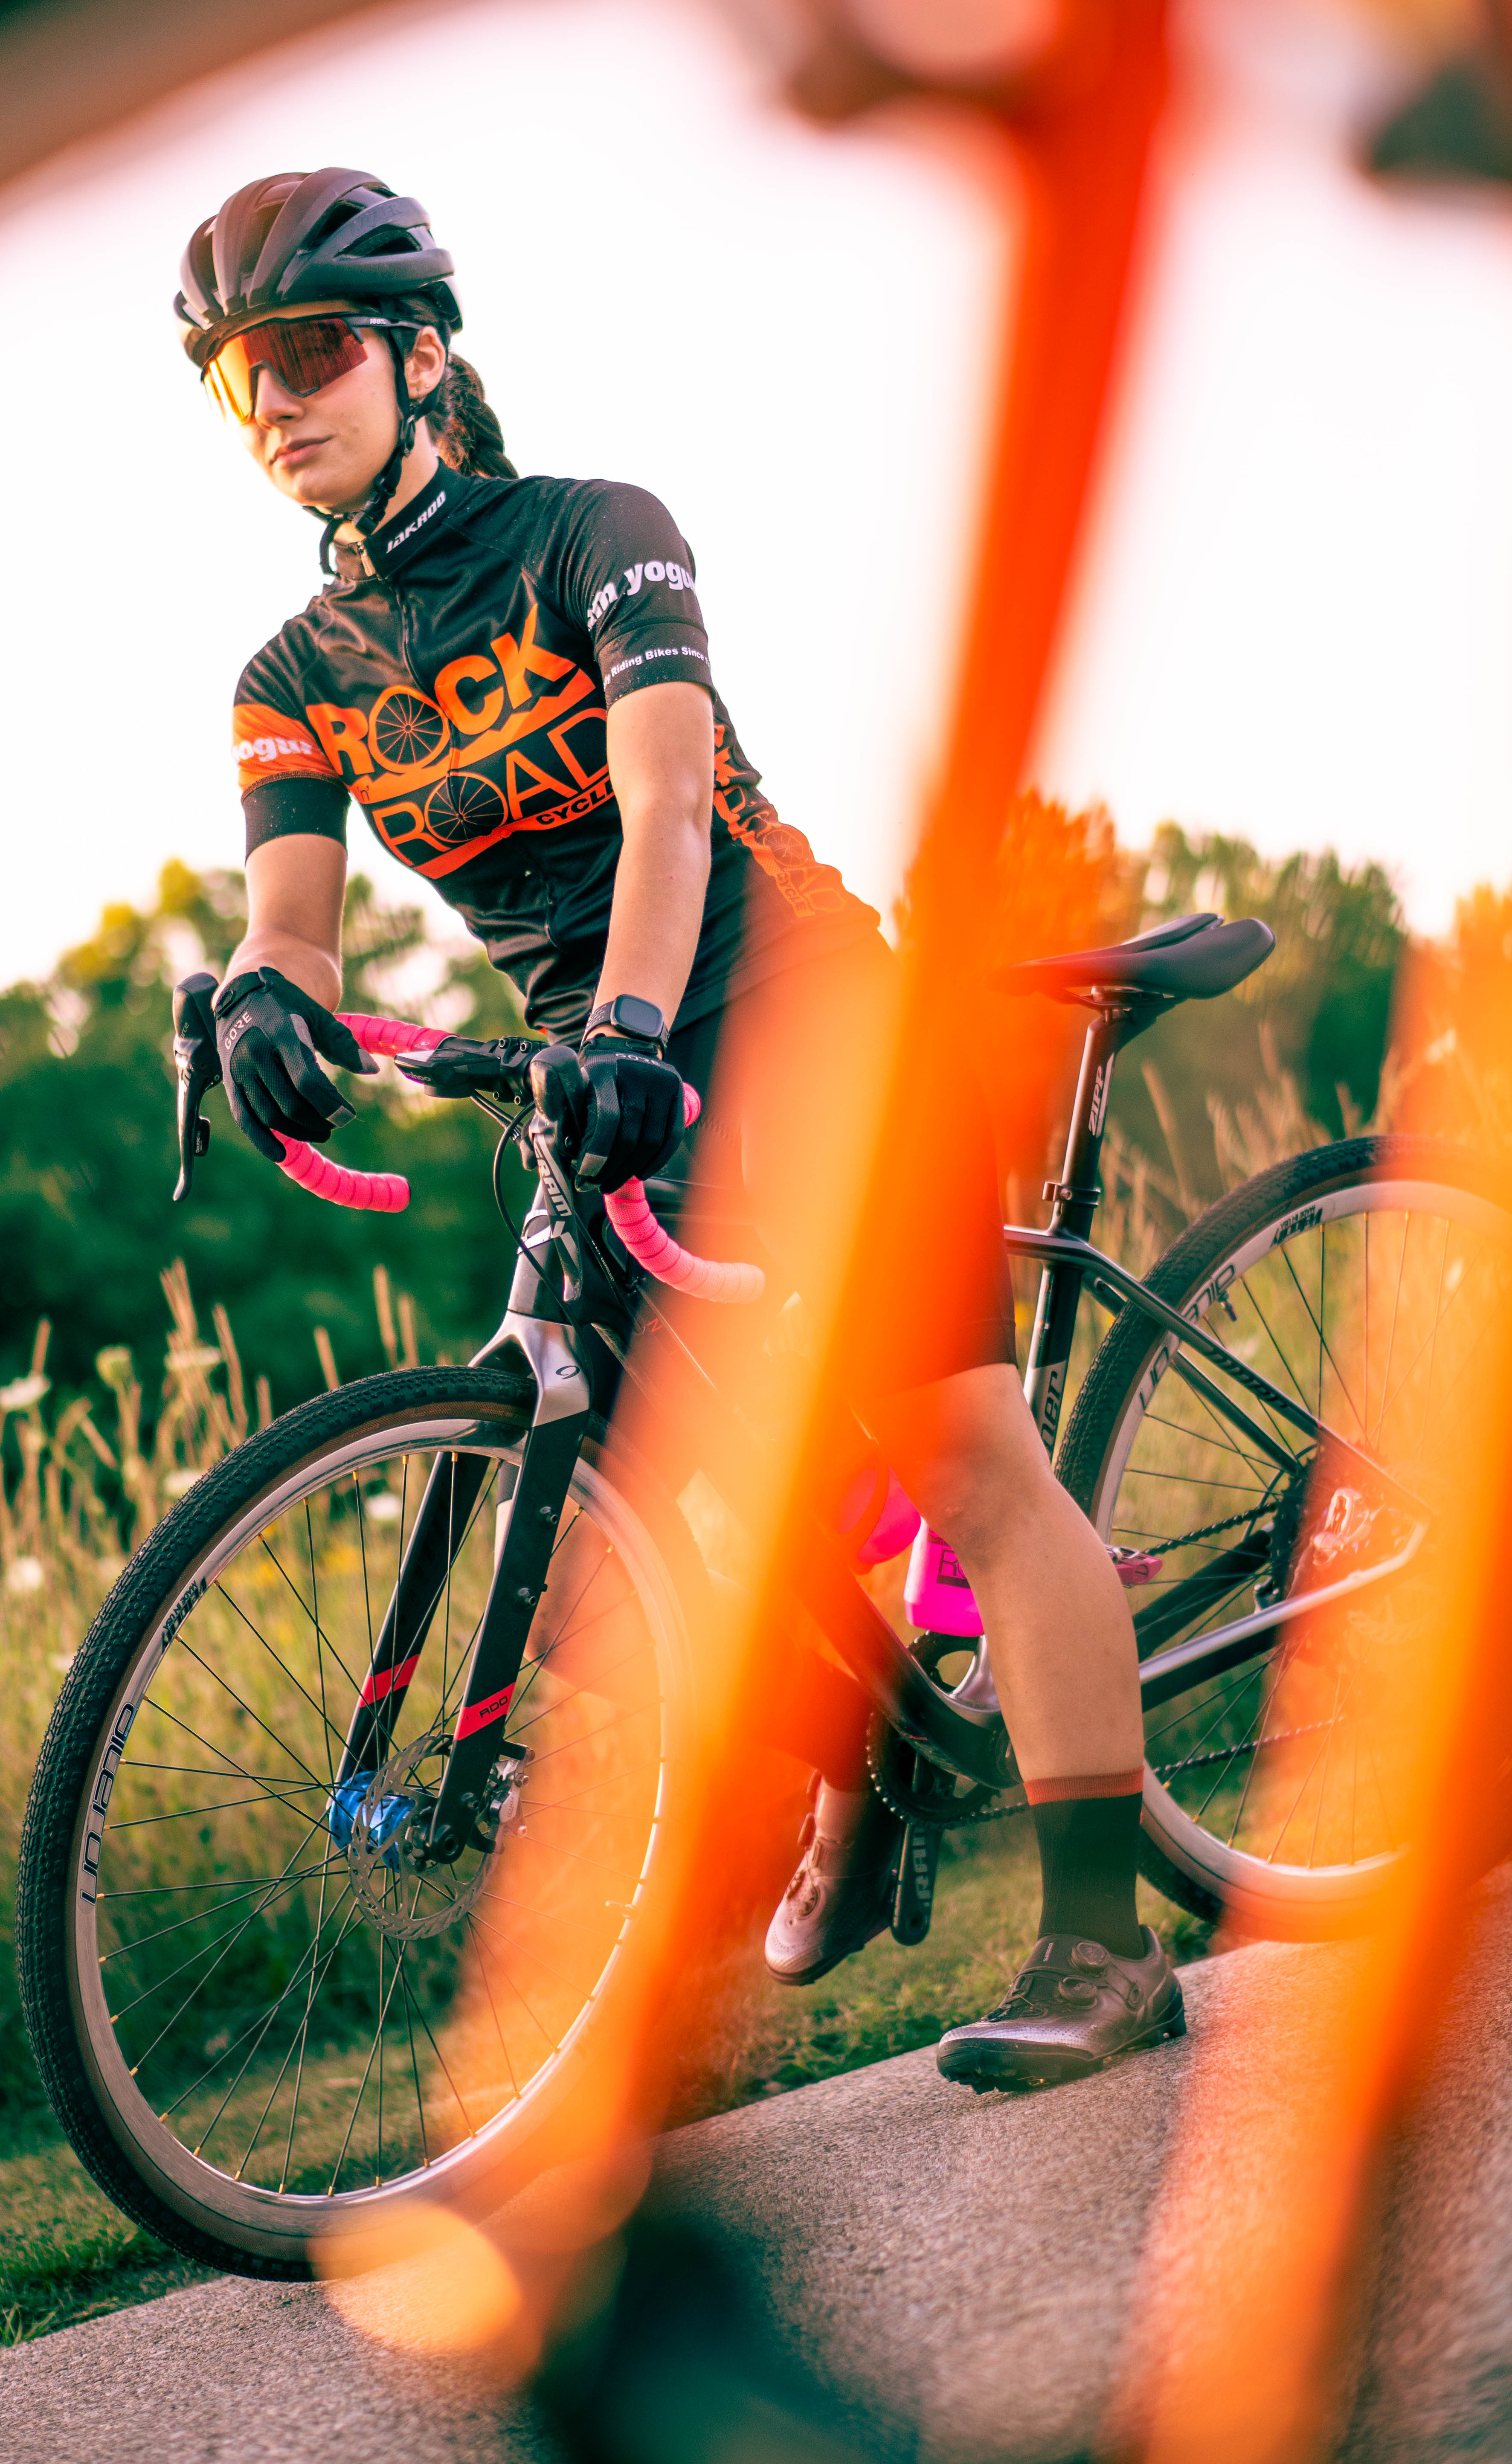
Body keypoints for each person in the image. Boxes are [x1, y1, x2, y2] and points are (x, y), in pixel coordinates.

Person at [175, 165, 1184, 2091]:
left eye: (308, 353)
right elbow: (287, 918)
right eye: (240, 380)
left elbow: (662, 808)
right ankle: (863, 1761)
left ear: (417, 355)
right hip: (598, 1076)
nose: (277, 402)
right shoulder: (291, 678)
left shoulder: (594, 535)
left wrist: (636, 1016)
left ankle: (1102, 1944)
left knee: (962, 1455)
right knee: (590, 1551)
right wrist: (260, 1009)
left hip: (797, 1019)